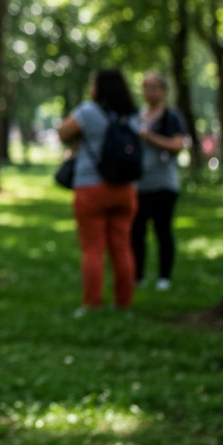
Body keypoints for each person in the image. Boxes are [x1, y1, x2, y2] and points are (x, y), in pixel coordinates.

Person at [58, 69, 139, 314]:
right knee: (122, 247)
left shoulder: (88, 111)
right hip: (125, 189)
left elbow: (62, 132)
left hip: (90, 187)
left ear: (99, 87)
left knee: (92, 248)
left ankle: (92, 303)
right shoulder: (132, 115)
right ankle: (123, 303)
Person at [132, 72, 188, 290]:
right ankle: (138, 276)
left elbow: (178, 145)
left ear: (163, 90)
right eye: (146, 86)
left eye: (154, 87)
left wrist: (150, 138)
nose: (149, 91)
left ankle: (164, 277)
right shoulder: (137, 117)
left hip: (164, 184)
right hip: (138, 184)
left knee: (162, 230)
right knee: (137, 232)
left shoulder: (171, 117)